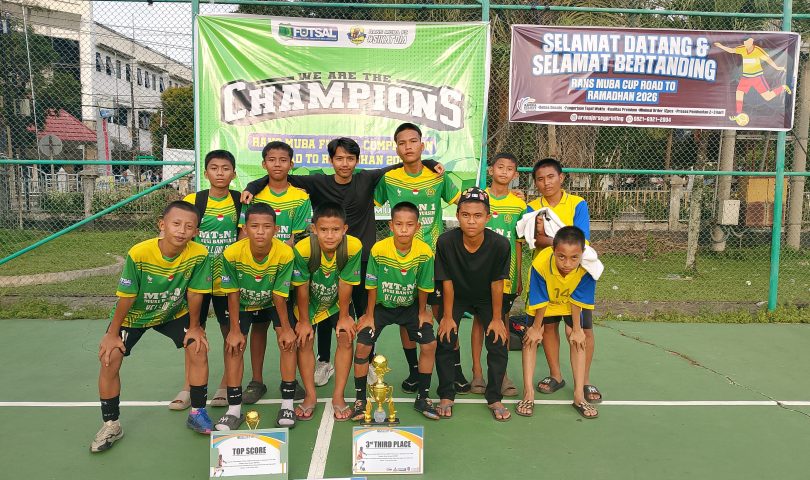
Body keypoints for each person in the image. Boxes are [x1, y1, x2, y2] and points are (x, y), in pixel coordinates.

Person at [241, 137, 442, 387]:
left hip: (362, 258)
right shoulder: (318, 182)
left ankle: (367, 360)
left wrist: (429, 162)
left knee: (364, 313)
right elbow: (280, 174)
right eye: (339, 158)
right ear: (331, 160)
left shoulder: (366, 179)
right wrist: (253, 185)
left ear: (357, 161)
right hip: (327, 259)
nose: (344, 163)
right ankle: (324, 360)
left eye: (350, 158)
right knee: (326, 311)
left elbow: (400, 164)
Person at [91, 201, 212, 452]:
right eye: (176, 223)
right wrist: (112, 334)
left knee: (197, 347)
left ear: (196, 232)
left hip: (171, 312)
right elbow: (127, 297)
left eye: (189, 226)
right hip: (134, 316)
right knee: (110, 357)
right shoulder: (140, 253)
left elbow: (195, 293)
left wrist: (195, 327)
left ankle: (198, 412)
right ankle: (111, 424)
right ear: (162, 225)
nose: (182, 230)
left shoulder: (199, 254)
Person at [373, 123, 464, 394]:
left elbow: (465, 203)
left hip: (434, 260)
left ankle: (456, 371)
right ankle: (415, 372)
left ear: (422, 146)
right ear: (396, 149)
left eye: (413, 141)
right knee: (408, 317)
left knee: (443, 315)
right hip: (402, 261)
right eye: (402, 143)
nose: (408, 147)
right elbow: (368, 205)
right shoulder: (389, 179)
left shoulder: (437, 177)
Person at [352, 202, 440, 421]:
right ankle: (360, 400)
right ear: (391, 225)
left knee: (429, 344)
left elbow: (424, 286)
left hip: (410, 307)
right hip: (381, 307)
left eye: (409, 225)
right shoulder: (379, 249)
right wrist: (369, 314)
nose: (403, 229)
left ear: (417, 227)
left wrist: (423, 311)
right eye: (399, 224)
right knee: (362, 347)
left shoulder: (424, 252)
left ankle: (423, 397)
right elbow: (371, 284)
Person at [238, 141, 311, 405]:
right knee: (259, 329)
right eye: (272, 159)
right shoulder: (253, 197)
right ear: (264, 164)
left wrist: (279, 254)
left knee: (286, 328)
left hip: (286, 273)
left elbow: (298, 239)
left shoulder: (301, 197)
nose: (277, 164)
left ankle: (289, 381)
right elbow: (243, 235)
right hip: (255, 276)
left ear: (291, 164)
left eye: (283, 160)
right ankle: (256, 380)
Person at [525, 158, 601, 403]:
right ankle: (555, 375)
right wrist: (561, 240)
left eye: (551, 177)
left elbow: (581, 241)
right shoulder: (532, 207)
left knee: (582, 330)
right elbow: (532, 241)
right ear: (535, 182)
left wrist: (549, 238)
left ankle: (584, 381)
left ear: (561, 177)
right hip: (546, 275)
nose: (546, 183)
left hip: (574, 276)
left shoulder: (578, 203)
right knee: (548, 327)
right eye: (540, 179)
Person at [217, 203, 298, 430]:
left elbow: (279, 294)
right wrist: (234, 330)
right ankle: (234, 409)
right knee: (234, 346)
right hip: (243, 302)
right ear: (245, 228)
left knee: (287, 342)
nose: (260, 232)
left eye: (266, 226)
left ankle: (288, 404)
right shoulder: (232, 253)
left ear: (276, 229)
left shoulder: (285, 252)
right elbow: (232, 292)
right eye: (254, 226)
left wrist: (286, 329)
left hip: (273, 301)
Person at [171, 149, 241, 411]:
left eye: (225, 168)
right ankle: (189, 386)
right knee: (193, 331)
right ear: (205, 172)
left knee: (229, 332)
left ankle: (226, 383)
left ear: (233, 174)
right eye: (214, 168)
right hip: (197, 280)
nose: (220, 173)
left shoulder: (240, 201)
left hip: (227, 281)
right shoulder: (194, 200)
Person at [435, 187, 511, 421]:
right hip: (456, 295)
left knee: (498, 339)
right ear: (457, 215)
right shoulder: (446, 241)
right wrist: (448, 316)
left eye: (478, 215)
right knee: (446, 337)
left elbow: (498, 282)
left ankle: (494, 397)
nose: (471, 221)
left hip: (486, 297)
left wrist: (497, 319)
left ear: (488, 217)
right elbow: (446, 280)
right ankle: (446, 394)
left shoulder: (500, 244)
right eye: (466, 215)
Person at [292, 203, 363, 421]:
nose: (330, 235)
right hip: (310, 301)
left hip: (337, 301)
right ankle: (310, 396)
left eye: (335, 230)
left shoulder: (353, 246)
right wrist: (304, 321)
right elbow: (301, 287)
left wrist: (344, 317)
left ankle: (338, 397)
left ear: (345, 229)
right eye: (324, 230)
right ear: (314, 229)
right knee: (304, 340)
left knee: (345, 337)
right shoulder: (303, 249)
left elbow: (346, 283)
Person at [518, 226, 598, 419]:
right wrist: (536, 328)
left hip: (570, 300)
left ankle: (579, 396)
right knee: (531, 339)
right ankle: (528, 393)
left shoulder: (590, 266)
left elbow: (578, 298)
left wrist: (577, 329)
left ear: (582, 253)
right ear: (553, 250)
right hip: (545, 299)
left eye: (574, 258)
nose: (567, 264)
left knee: (578, 339)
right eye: (561, 257)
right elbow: (540, 298)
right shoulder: (540, 264)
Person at [469, 153, 526, 397]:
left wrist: (519, 275)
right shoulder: (479, 199)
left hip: (505, 274)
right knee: (479, 321)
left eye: (509, 168)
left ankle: (501, 374)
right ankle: (477, 372)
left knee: (502, 320)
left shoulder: (519, 205)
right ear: (491, 170)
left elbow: (518, 243)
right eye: (499, 167)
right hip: (478, 272)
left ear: (515, 174)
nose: (504, 172)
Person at [714, 38, 792, 123]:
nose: (745, 43)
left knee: (767, 96)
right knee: (739, 93)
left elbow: (767, 59)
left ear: (751, 41)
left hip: (757, 77)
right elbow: (731, 50)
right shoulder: (742, 49)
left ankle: (783, 87)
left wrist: (777, 67)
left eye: (747, 42)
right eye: (744, 42)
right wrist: (721, 46)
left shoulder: (758, 50)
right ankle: (738, 114)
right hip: (746, 77)